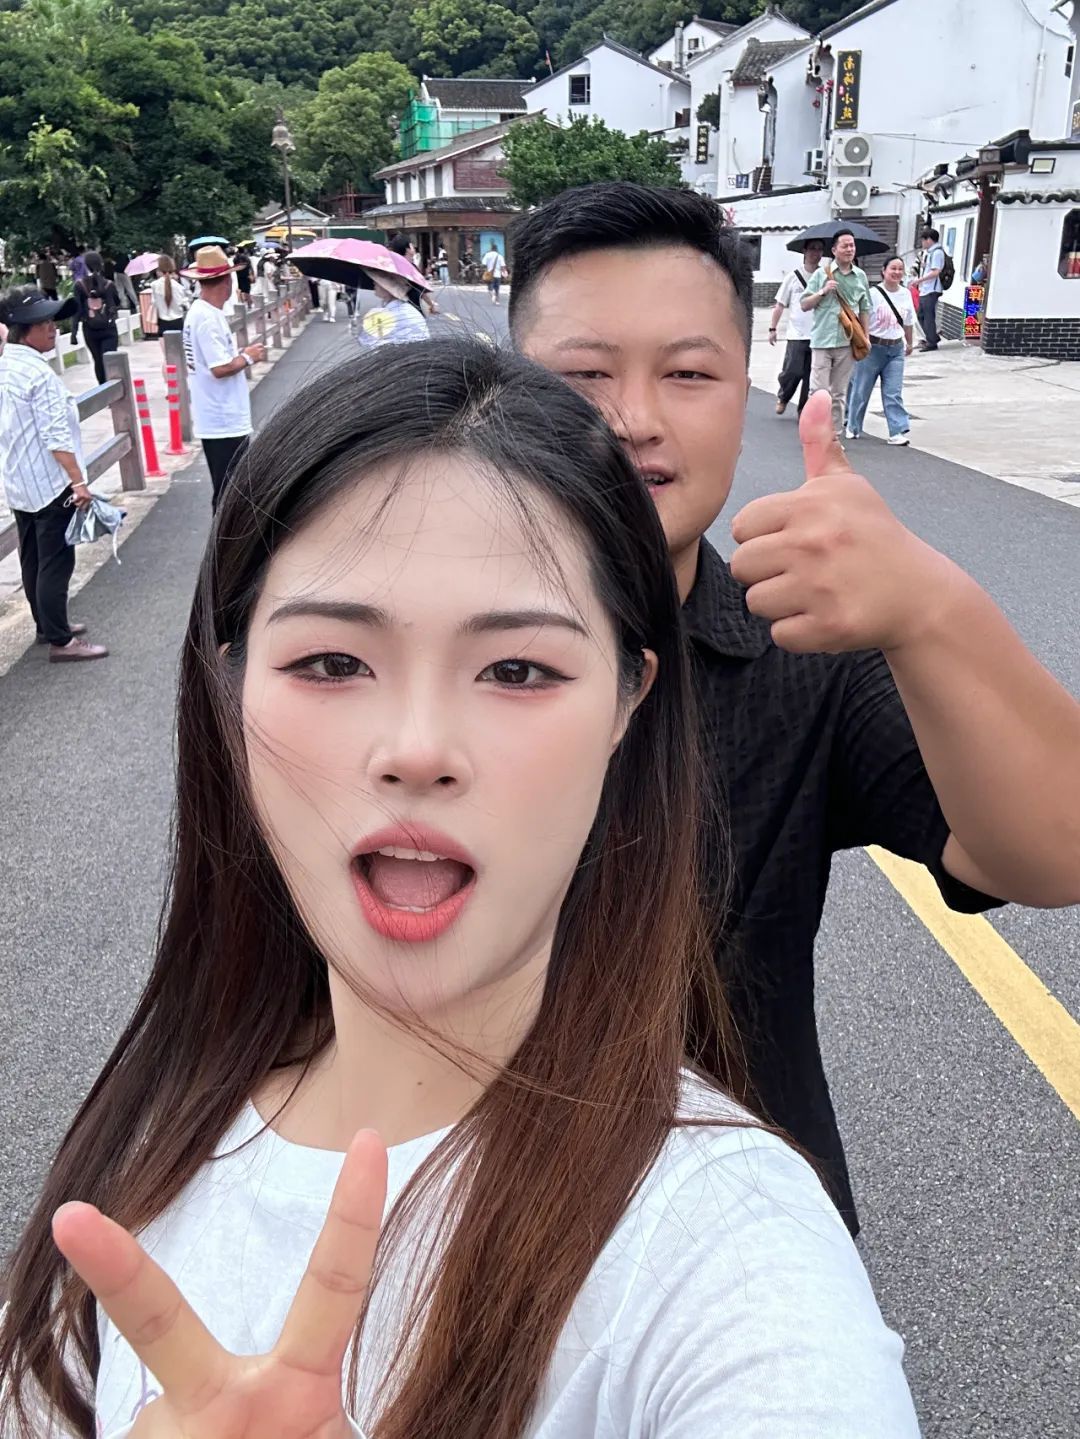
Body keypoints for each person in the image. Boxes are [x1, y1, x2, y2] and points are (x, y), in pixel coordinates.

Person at [0, 338, 919, 1439]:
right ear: (230, 681)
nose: (419, 749)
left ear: (629, 700)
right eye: (331, 662)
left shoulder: (729, 1244)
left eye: (517, 669)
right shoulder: (150, 1144)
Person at [507, 181, 1080, 1235]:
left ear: (744, 394)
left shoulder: (799, 650)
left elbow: (1055, 852)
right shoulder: (388, 657)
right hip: (453, 1219)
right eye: (583, 375)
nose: (634, 420)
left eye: (689, 373)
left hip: (749, 1234)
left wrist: (931, 608)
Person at [0, 285, 107, 661]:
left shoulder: (6, 365)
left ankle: (47, 626)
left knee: (32, 558)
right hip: (50, 483)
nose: (53, 329)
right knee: (56, 562)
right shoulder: (38, 375)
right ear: (23, 329)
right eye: (43, 323)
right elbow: (56, 436)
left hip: (20, 480)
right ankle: (62, 641)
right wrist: (78, 481)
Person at [180, 245, 266, 510]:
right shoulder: (207, 318)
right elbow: (219, 368)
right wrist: (248, 357)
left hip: (216, 412)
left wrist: (240, 355)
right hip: (222, 415)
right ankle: (225, 533)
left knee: (229, 487)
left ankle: (228, 531)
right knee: (230, 489)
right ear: (227, 280)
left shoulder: (202, 313)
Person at [801, 228, 870, 439]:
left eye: (852, 245)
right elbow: (804, 304)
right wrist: (822, 291)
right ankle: (814, 434)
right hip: (822, 340)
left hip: (847, 341)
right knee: (818, 392)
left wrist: (866, 337)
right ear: (834, 250)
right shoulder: (821, 274)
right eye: (845, 245)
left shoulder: (860, 276)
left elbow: (865, 308)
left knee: (839, 393)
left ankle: (834, 436)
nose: (849, 249)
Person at [845, 254, 915, 445]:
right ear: (883, 271)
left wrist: (909, 343)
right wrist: (863, 340)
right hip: (872, 348)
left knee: (893, 391)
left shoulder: (906, 294)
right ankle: (853, 425)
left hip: (896, 349)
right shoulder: (873, 294)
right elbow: (863, 319)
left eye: (900, 269)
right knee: (861, 390)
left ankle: (897, 431)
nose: (897, 272)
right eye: (893, 268)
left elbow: (908, 322)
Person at [768, 239, 824, 417]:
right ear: (804, 251)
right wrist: (772, 328)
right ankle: (784, 396)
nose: (816, 253)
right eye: (812, 249)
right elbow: (780, 304)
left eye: (819, 249)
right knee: (793, 370)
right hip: (797, 334)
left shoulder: (825, 277)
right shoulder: (793, 277)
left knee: (811, 376)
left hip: (818, 334)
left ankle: (803, 410)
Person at [74, 252, 121, 385]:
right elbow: (117, 302)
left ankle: (103, 388)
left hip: (90, 329)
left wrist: (73, 333)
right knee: (110, 361)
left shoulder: (80, 286)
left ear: (86, 266)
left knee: (98, 362)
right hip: (109, 328)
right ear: (101, 264)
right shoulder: (109, 284)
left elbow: (77, 310)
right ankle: (114, 388)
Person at [355, 267, 430, 348]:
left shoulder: (390, 312)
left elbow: (368, 342)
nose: (374, 283)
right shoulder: (402, 308)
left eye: (378, 282)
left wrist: (366, 325)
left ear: (387, 288)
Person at [149, 255, 192, 367]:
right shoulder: (179, 287)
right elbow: (185, 304)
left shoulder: (154, 286)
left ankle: (168, 378)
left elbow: (153, 303)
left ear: (159, 270)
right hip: (178, 323)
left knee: (167, 359)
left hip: (163, 324)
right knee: (180, 357)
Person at [388, 234, 439, 317]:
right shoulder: (410, 268)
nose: (414, 247)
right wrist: (431, 304)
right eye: (411, 245)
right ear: (407, 249)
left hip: (395, 307)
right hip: (412, 309)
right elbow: (421, 290)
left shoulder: (394, 266)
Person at [916, 227, 947, 351]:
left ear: (929, 240)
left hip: (931, 290)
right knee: (921, 315)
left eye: (923, 240)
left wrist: (919, 280)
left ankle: (931, 342)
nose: (922, 243)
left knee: (927, 316)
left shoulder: (937, 253)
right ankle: (932, 337)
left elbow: (935, 272)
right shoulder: (930, 253)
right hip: (926, 289)